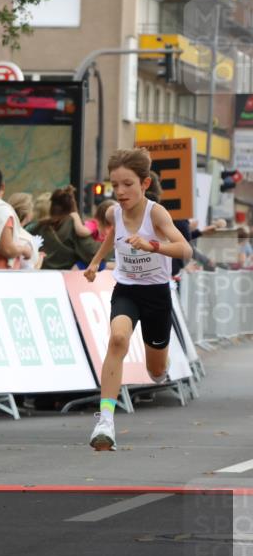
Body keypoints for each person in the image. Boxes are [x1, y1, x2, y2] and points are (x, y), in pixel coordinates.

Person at [84, 148, 192, 451]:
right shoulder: (113, 212)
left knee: (155, 371)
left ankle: (163, 363)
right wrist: (95, 262)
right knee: (118, 339)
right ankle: (105, 420)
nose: (119, 192)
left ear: (144, 184)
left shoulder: (155, 213)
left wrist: (152, 245)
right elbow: (111, 235)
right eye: (114, 185)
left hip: (157, 293)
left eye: (127, 184)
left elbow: (185, 249)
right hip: (127, 289)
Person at [29, 186, 99, 270]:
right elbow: (92, 252)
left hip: (40, 276)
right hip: (66, 278)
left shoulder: (35, 228)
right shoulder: (73, 224)